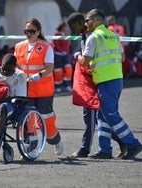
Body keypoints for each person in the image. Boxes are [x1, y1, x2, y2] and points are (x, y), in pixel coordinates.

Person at [77, 8, 142, 159]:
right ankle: (105, 149)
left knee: (111, 115)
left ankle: (133, 143)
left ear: (96, 20)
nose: (86, 24)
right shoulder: (114, 36)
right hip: (117, 79)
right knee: (102, 116)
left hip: (105, 81)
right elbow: (123, 58)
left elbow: (85, 61)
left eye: (87, 21)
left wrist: (78, 56)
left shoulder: (93, 37)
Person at [67, 12, 126, 158]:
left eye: (73, 26)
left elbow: (87, 60)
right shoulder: (85, 36)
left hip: (95, 81)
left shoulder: (90, 36)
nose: (72, 29)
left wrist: (77, 56)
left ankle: (85, 148)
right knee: (98, 117)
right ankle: (121, 141)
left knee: (92, 117)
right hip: (95, 80)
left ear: (82, 22)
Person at [14, 18, 63, 156]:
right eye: (26, 31)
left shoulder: (46, 47)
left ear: (38, 31)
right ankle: (31, 149)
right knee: (28, 120)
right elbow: (16, 66)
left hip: (43, 90)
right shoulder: (18, 47)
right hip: (26, 90)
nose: (29, 34)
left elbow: (49, 68)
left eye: (32, 31)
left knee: (46, 120)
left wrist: (38, 75)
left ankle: (56, 140)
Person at [53, 22, 73, 93]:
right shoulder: (56, 34)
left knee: (68, 70)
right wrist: (61, 51)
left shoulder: (65, 34)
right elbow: (56, 44)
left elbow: (67, 45)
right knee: (58, 71)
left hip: (66, 55)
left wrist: (67, 52)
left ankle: (67, 85)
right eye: (66, 27)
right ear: (62, 27)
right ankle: (58, 87)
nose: (67, 28)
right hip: (58, 55)